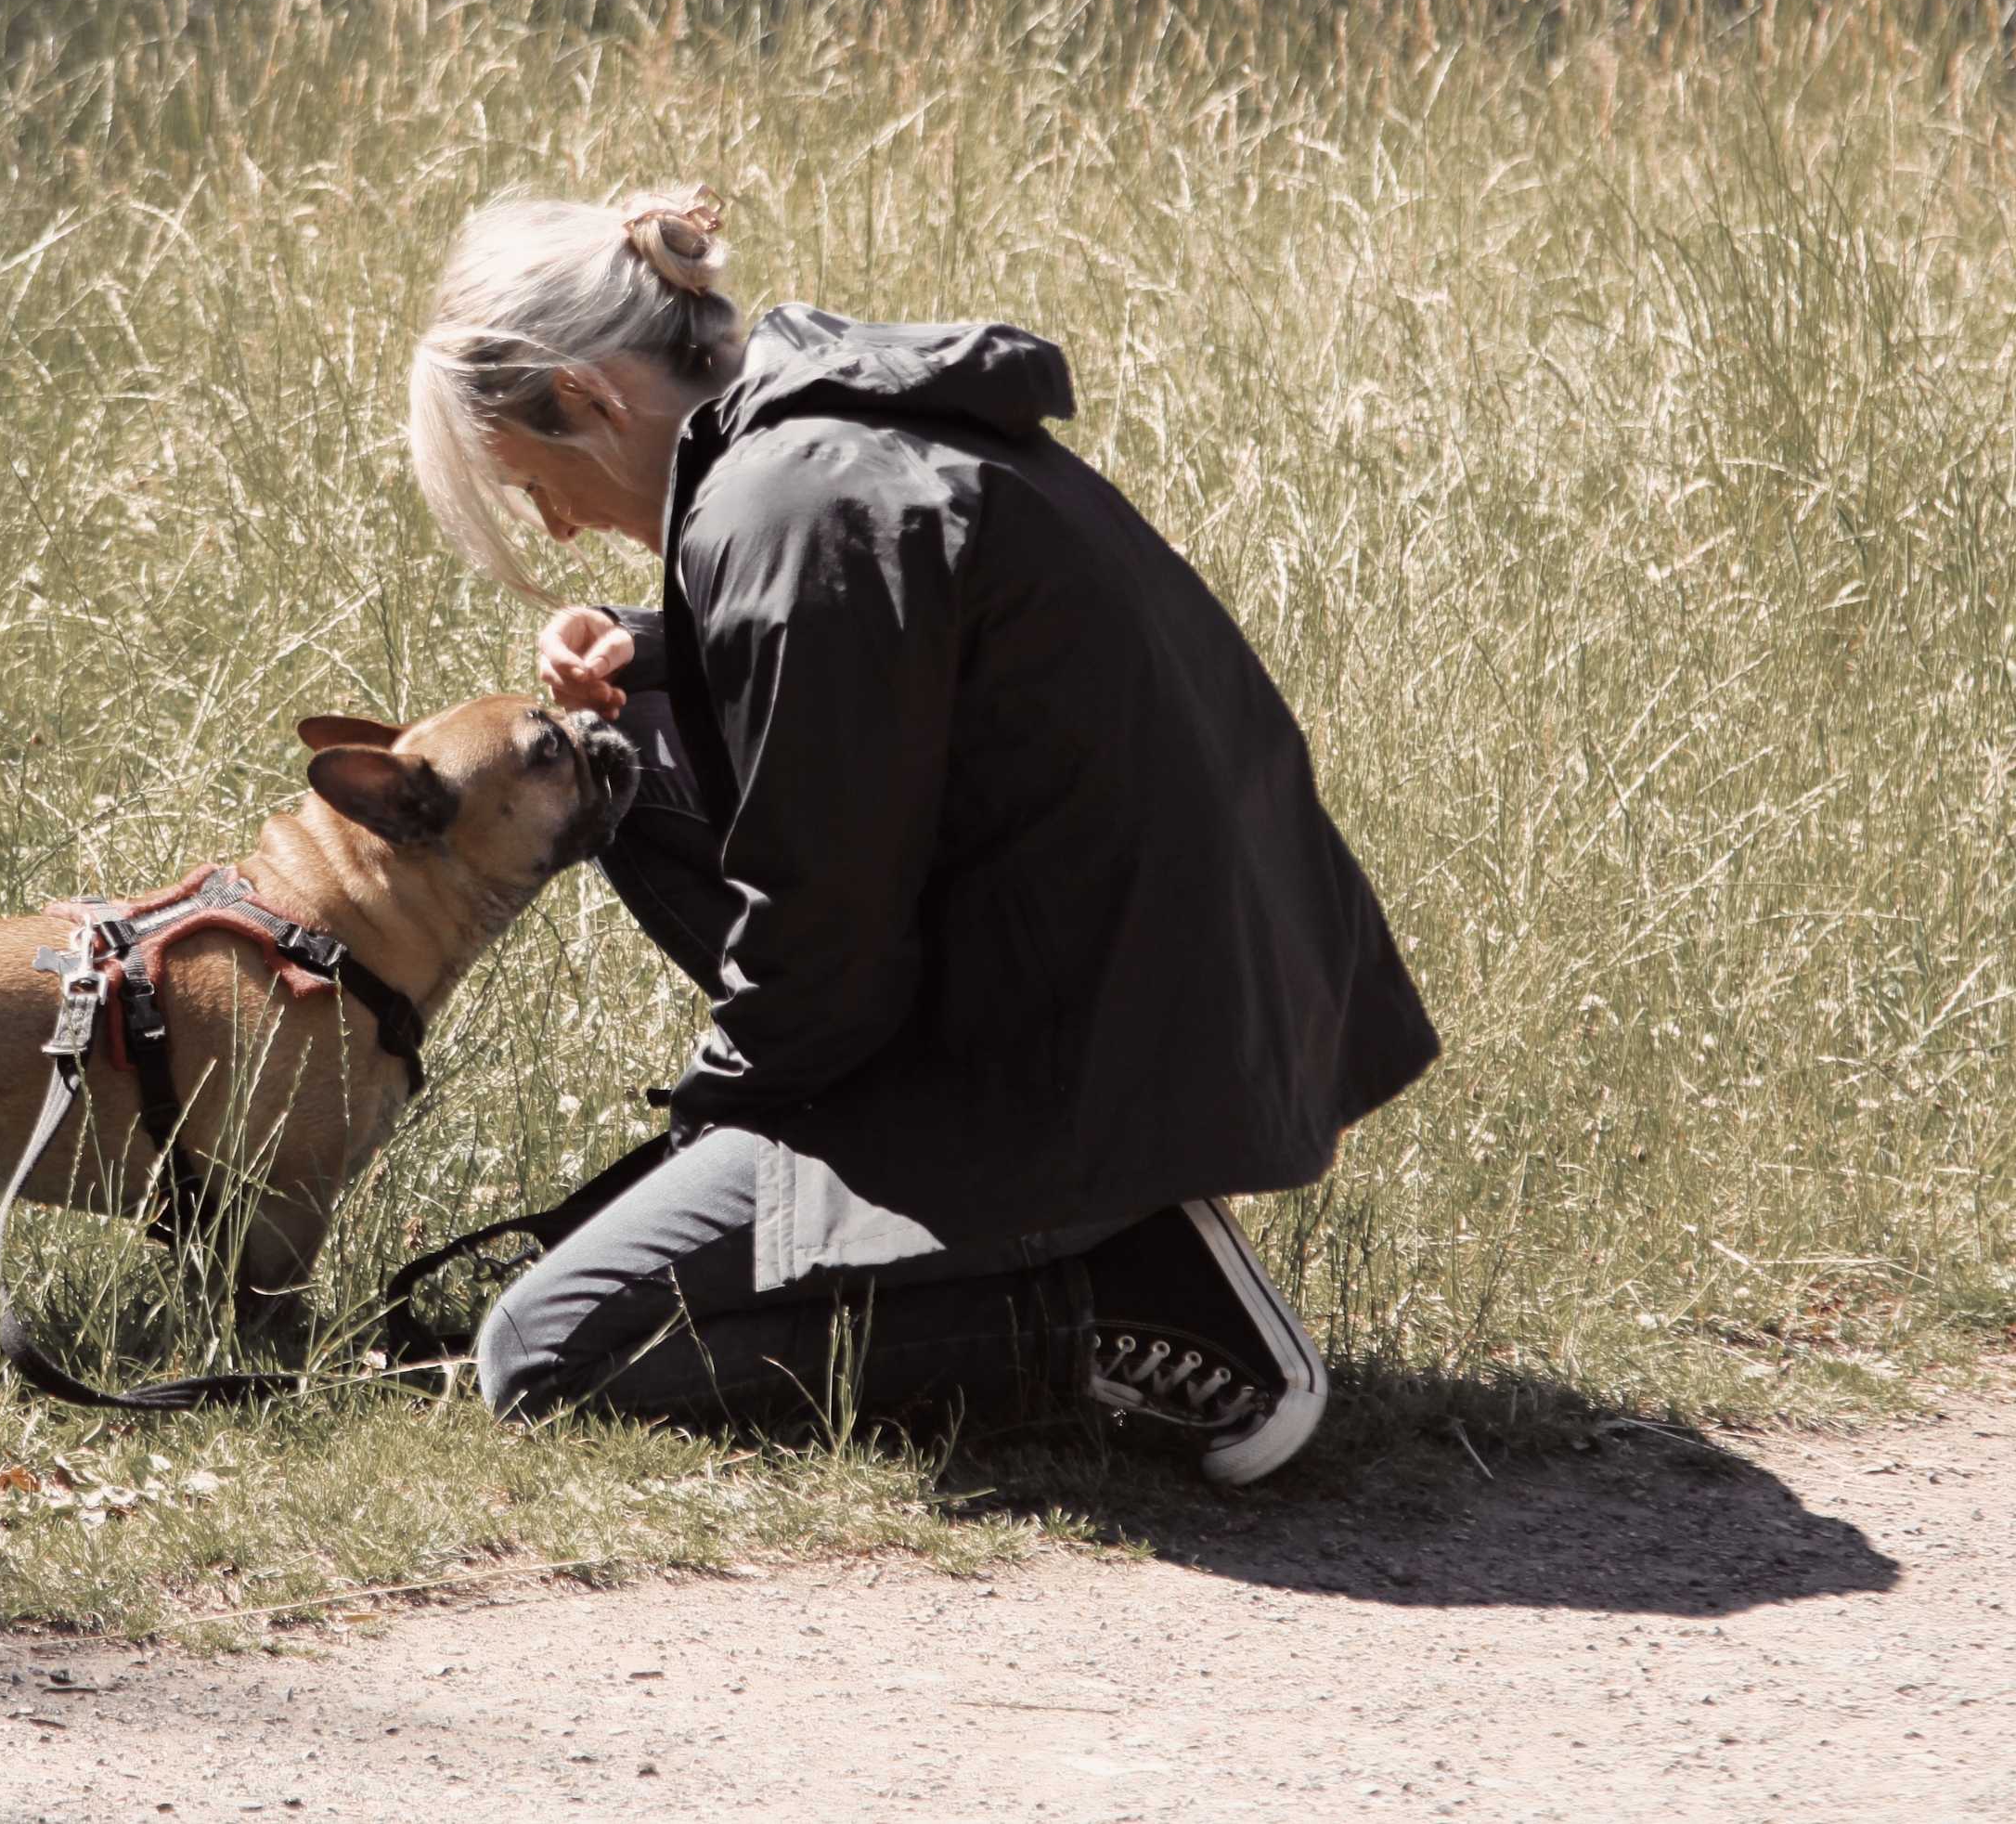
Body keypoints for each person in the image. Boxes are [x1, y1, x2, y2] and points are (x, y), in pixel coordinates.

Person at [400, 187, 1436, 1481]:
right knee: (618, 778)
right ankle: (1028, 1219)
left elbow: (822, 931)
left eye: (531, 481)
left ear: (593, 399)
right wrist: (661, 640)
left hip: (1097, 1060)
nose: (550, 526)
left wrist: (708, 1141)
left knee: (543, 1353)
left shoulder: (784, 515)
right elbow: (902, 665)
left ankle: (1116, 1294)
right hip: (1176, 999)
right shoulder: (819, 439)